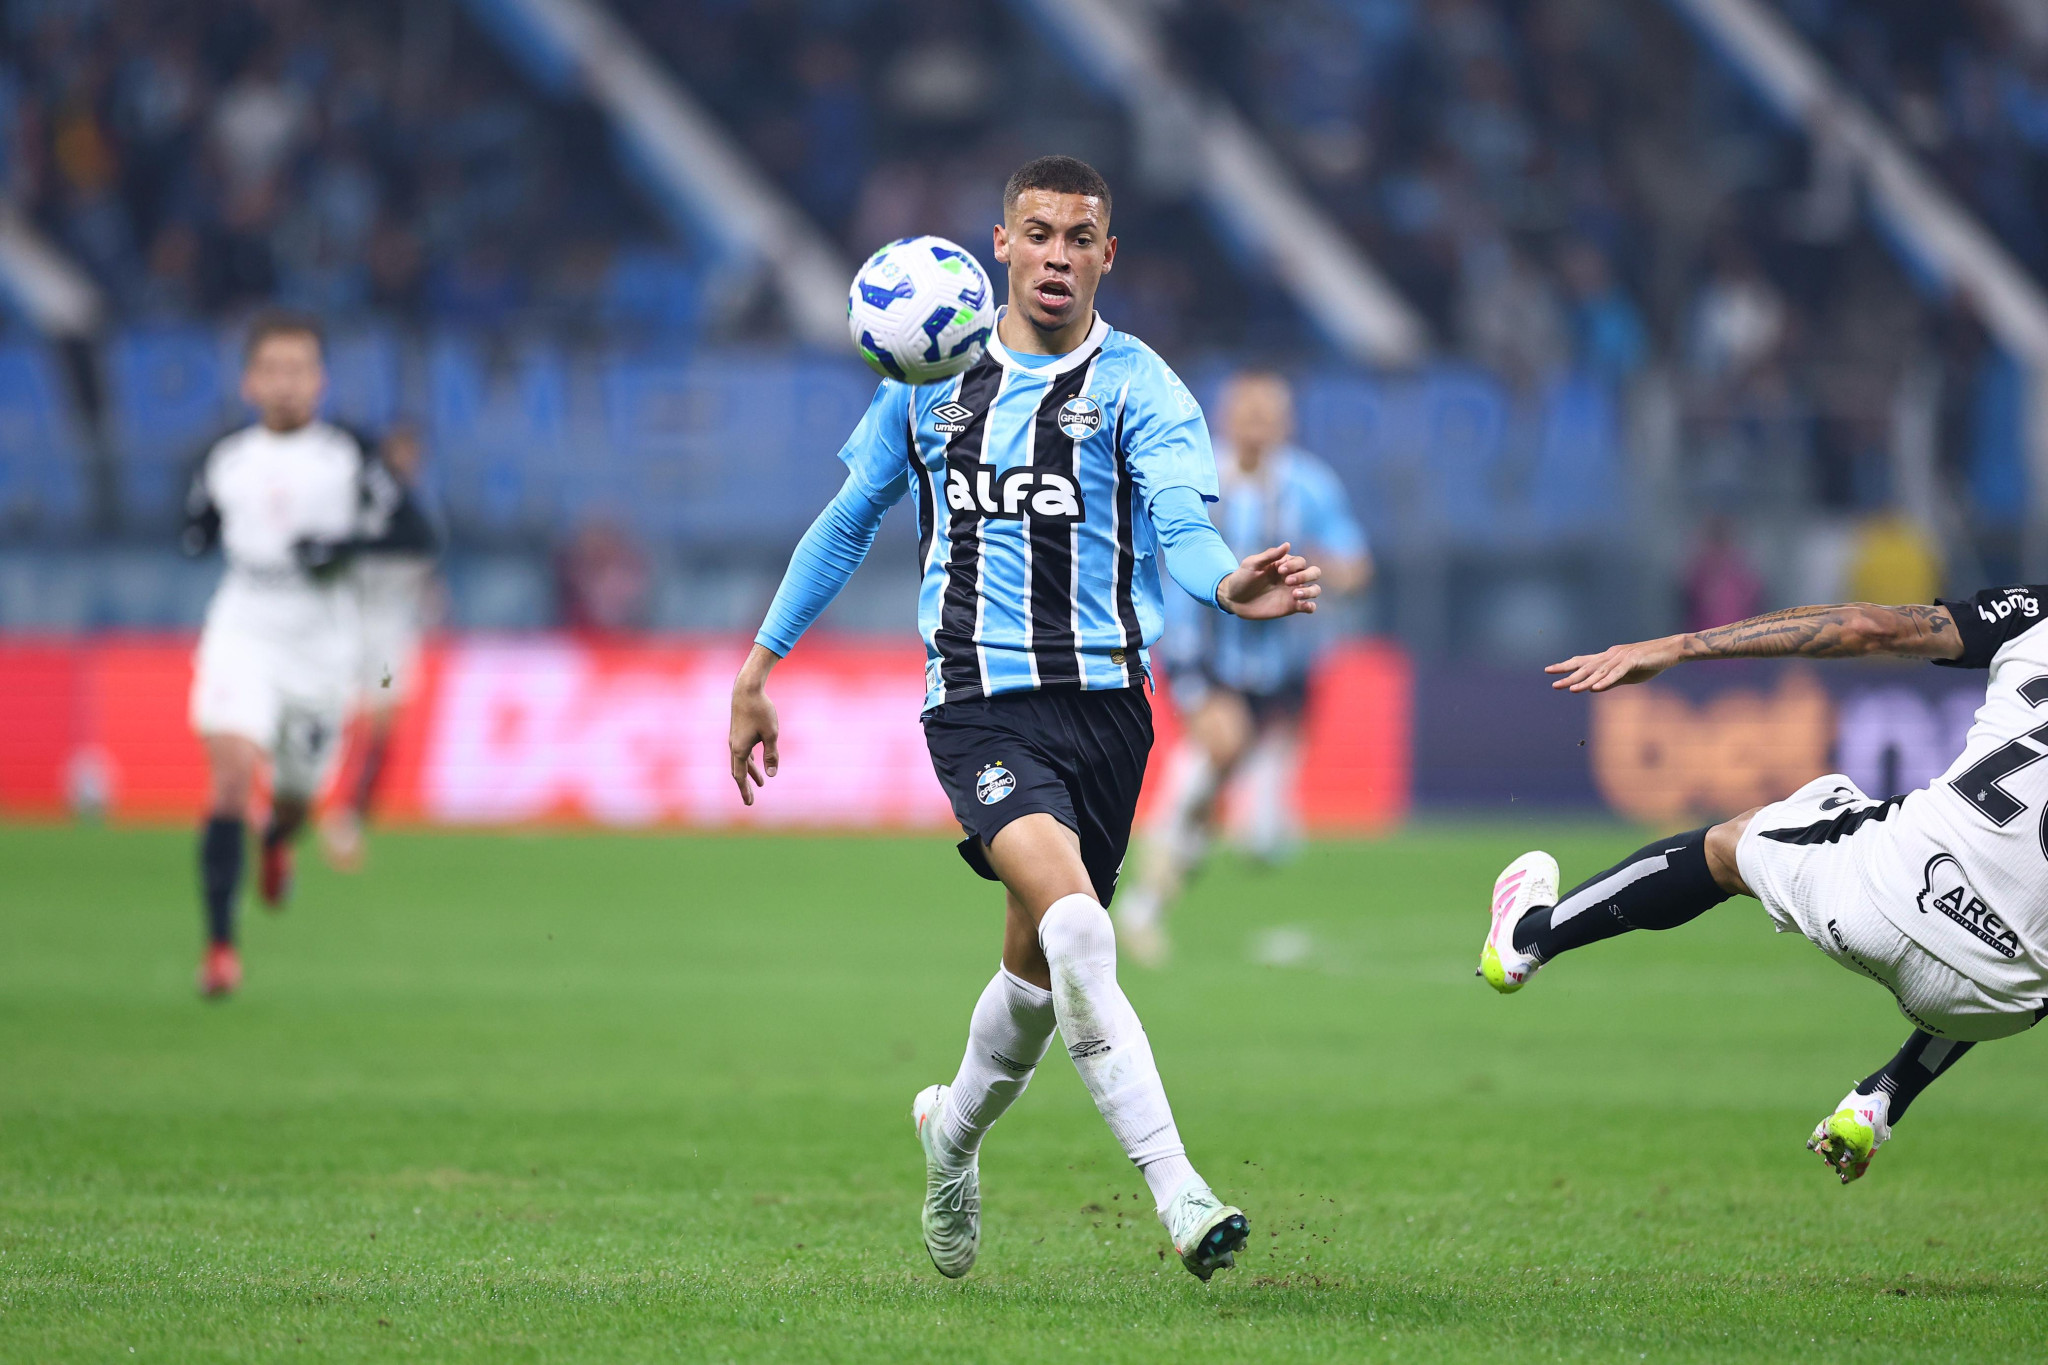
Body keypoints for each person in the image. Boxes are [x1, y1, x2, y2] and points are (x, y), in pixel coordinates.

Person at [727, 156, 1323, 1281]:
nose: (1057, 255)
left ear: (1108, 255)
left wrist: (1227, 584)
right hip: (977, 707)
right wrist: (760, 665)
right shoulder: (929, 379)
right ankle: (1181, 1192)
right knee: (1083, 932)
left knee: (1039, 981)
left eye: (1078, 237)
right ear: (999, 244)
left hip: (1108, 712)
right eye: (1038, 233)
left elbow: (1184, 529)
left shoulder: (1141, 387)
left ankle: (949, 1137)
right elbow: (847, 521)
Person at [1480, 590, 2048, 1182]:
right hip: (2001, 1003)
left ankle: (1527, 940)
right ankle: (1880, 1101)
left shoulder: (2037, 616)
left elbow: (1865, 626)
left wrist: (1679, 646)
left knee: (1726, 849)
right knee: (2027, 914)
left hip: (1890, 893)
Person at [183, 312, 434, 998]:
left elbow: (418, 534)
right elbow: (197, 526)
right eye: (273, 370)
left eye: (298, 369)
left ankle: (278, 841)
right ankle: (220, 948)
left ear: (319, 380)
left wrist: (343, 548)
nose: (286, 383)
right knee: (231, 776)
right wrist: (199, 533)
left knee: (296, 798)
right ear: (249, 382)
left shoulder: (349, 455)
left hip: (328, 641)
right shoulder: (226, 456)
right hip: (244, 625)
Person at [1117, 370, 1371, 967]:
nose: (1256, 423)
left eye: (1268, 412)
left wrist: (1314, 566)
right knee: (1221, 745)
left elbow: (1357, 568)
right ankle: (1143, 892)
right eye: (1246, 411)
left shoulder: (1310, 487)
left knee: (1255, 831)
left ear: (1286, 422)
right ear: (1224, 418)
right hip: (1200, 650)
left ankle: (1173, 863)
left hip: (1281, 667)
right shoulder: (1198, 479)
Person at [321, 422, 441, 870]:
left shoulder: (415, 512)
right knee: (347, 714)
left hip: (390, 633)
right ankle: (322, 804)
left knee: (382, 715)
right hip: (349, 623)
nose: (406, 461)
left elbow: (424, 562)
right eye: (400, 451)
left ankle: (350, 813)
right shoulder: (359, 500)